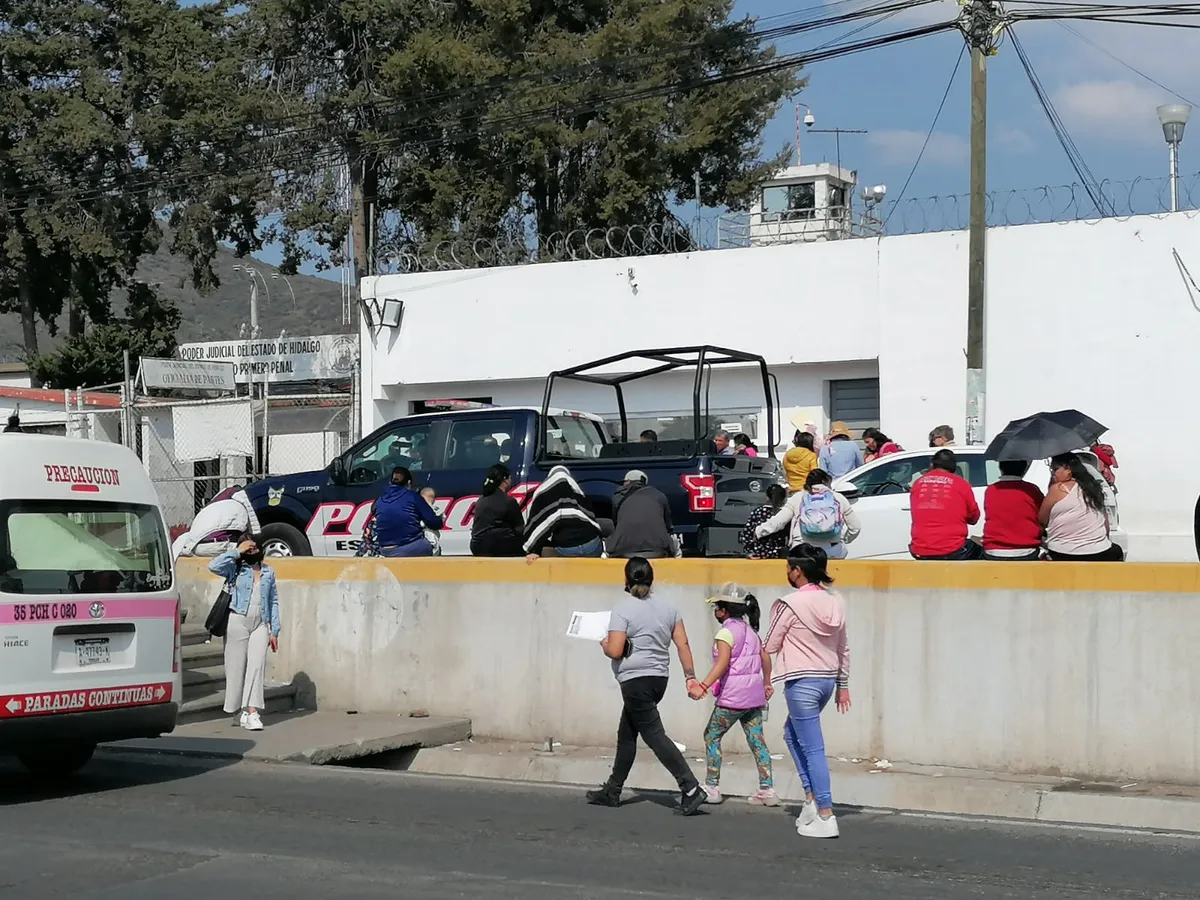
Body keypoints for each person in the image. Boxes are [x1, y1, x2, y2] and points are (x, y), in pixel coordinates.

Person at [586, 557, 706, 816]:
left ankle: (691, 787)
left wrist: (603, 644)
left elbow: (615, 650)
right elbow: (683, 644)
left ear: (626, 579)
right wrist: (690, 677)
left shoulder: (622, 609)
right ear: (651, 579)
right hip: (659, 679)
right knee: (627, 734)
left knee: (654, 735)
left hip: (634, 681)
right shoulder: (669, 608)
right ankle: (613, 790)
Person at [764, 545, 851, 839]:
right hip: (827, 681)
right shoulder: (836, 601)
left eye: (789, 568)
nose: (788, 573)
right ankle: (812, 800)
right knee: (792, 735)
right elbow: (843, 646)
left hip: (801, 681)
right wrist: (843, 685)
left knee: (813, 748)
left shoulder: (790, 604)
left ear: (797, 570)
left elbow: (770, 644)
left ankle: (825, 812)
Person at [691, 583, 779, 807]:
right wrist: (767, 682)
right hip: (754, 697)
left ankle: (712, 786)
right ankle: (767, 789)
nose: (715, 612)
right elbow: (765, 657)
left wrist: (703, 686)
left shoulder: (725, 633)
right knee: (757, 740)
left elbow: (722, 664)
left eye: (717, 607)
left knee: (712, 736)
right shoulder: (751, 632)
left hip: (732, 698)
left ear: (724, 610)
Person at [208, 535, 281, 732]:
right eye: (247, 548)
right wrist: (237, 551)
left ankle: (252, 712)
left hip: (261, 623)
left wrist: (275, 630)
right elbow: (213, 566)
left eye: (253, 547)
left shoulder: (268, 572)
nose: (251, 550)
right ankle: (239, 710)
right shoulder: (235, 568)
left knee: (257, 666)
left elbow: (273, 600)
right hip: (237, 620)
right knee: (235, 667)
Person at [755, 469, 861, 560]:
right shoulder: (838, 498)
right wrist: (844, 539)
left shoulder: (798, 498)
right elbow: (855, 527)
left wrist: (759, 531)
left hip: (802, 550)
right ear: (825, 481)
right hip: (833, 551)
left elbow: (779, 521)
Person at [1041, 453, 1123, 561]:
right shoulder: (1093, 489)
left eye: (1055, 469)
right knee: (1117, 550)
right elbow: (1105, 523)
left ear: (1068, 469)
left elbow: (1042, 519)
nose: (1053, 473)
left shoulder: (1058, 488)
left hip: (1062, 552)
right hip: (1099, 551)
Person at [909, 450, 982, 560]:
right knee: (982, 552)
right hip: (953, 549)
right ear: (954, 468)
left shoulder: (917, 484)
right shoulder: (961, 484)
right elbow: (973, 518)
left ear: (932, 465)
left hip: (919, 550)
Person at [523, 465, 604, 561]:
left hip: (566, 550)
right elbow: (591, 518)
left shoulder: (543, 493)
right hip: (592, 546)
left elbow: (538, 524)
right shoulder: (577, 492)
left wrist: (534, 550)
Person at [172, 487, 262, 559]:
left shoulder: (211, 507)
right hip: (220, 546)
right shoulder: (237, 506)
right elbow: (250, 528)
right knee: (250, 550)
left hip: (197, 548)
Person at [606, 470, 676, 559]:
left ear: (628, 482)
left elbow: (616, 524)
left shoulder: (617, 498)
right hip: (658, 550)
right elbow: (668, 526)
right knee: (675, 545)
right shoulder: (659, 495)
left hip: (624, 551)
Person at [374, 466, 443, 557]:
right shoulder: (413, 497)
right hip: (409, 549)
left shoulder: (380, 500)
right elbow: (433, 522)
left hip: (384, 550)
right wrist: (440, 520)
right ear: (409, 483)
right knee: (432, 537)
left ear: (390, 482)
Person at [982, 460, 1044, 561]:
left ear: (1000, 468)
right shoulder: (1031, 489)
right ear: (1024, 469)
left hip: (994, 549)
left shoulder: (991, 490)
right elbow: (1043, 515)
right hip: (1026, 549)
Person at [470, 464, 525, 557]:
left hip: (477, 547)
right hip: (500, 546)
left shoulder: (481, 500)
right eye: (510, 478)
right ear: (505, 480)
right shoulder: (509, 501)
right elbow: (520, 529)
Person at [739, 483, 789, 559]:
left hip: (758, 554)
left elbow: (747, 533)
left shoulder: (758, 512)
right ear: (783, 498)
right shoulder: (785, 514)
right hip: (778, 555)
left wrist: (749, 552)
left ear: (767, 497)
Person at [419, 486, 442, 556]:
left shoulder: (418, 509)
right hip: (433, 540)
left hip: (422, 541)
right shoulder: (437, 510)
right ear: (434, 499)